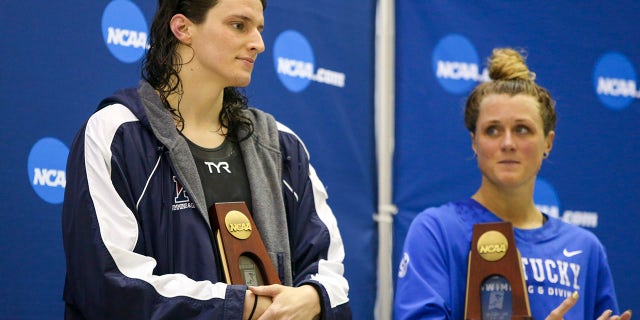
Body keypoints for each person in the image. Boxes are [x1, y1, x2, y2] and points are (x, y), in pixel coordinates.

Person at [61, 0, 351, 319]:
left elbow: (328, 273)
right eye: (239, 25)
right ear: (183, 28)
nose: (259, 43)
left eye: (259, 28)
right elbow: (109, 284)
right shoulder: (117, 134)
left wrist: (312, 298)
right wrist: (243, 306)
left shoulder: (282, 146)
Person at [393, 48, 632, 320]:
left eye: (522, 129)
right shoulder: (437, 231)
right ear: (474, 142)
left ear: (548, 143)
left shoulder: (586, 248)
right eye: (492, 130)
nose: (507, 143)